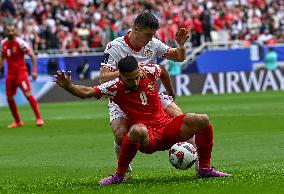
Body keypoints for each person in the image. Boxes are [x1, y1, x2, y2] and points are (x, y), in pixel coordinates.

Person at [54, 56, 231, 186]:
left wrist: (170, 91)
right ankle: (119, 175)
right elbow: (86, 92)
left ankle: (204, 168)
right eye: (130, 79)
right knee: (137, 130)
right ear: (120, 76)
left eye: (137, 76)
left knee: (202, 119)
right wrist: (68, 86)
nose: (135, 81)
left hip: (168, 127)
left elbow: (162, 71)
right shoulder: (114, 87)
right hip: (149, 137)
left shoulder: (148, 70)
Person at [99, 12, 191, 174]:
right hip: (123, 98)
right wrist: (129, 72)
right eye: (148, 34)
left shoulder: (153, 44)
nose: (150, 39)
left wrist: (181, 45)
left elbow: (178, 57)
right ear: (135, 29)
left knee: (182, 120)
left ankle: (200, 165)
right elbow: (103, 78)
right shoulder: (114, 47)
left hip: (150, 95)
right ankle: (123, 167)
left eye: (152, 35)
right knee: (121, 135)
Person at [0, 24, 44, 128]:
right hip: (10, 75)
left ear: (15, 31)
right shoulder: (3, 43)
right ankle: (18, 121)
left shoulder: (20, 43)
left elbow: (33, 56)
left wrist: (34, 71)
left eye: (12, 30)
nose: (10, 32)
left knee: (28, 94)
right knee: (9, 98)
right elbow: (2, 57)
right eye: (8, 31)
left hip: (21, 73)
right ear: (6, 32)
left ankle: (39, 118)